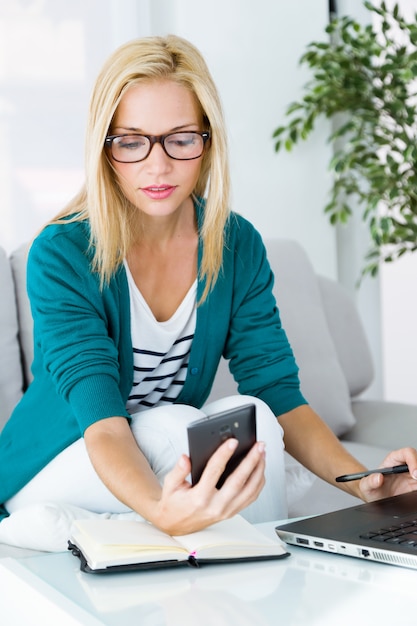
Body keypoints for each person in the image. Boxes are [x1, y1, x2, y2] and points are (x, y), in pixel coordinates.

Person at [1, 35, 417, 550]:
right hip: (61, 456)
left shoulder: (235, 244)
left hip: (158, 454)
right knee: (178, 426)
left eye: (180, 139)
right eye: (132, 141)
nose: (158, 165)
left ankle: (256, 574)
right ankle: (110, 529)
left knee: (256, 420)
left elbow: (279, 393)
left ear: (208, 141)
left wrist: (370, 489)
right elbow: (105, 424)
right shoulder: (63, 253)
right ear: (104, 149)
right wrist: (161, 509)